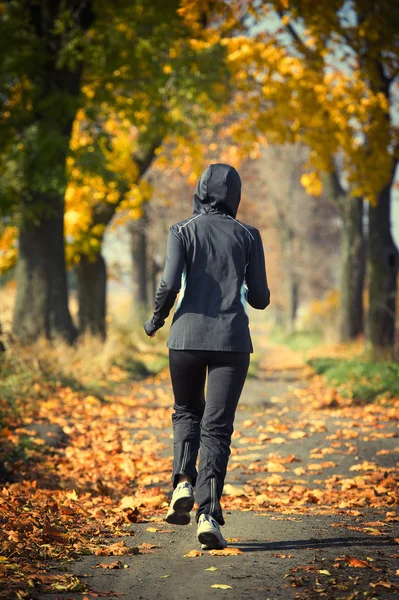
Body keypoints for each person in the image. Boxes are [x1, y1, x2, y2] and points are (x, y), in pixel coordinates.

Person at [143, 163, 270, 550]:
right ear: (236, 195)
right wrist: (244, 285)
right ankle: (208, 516)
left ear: (199, 191)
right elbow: (261, 298)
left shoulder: (181, 231)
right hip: (231, 342)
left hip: (185, 339)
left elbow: (169, 283)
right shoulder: (249, 235)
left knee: (186, 411)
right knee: (217, 427)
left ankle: (182, 480)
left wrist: (156, 319)